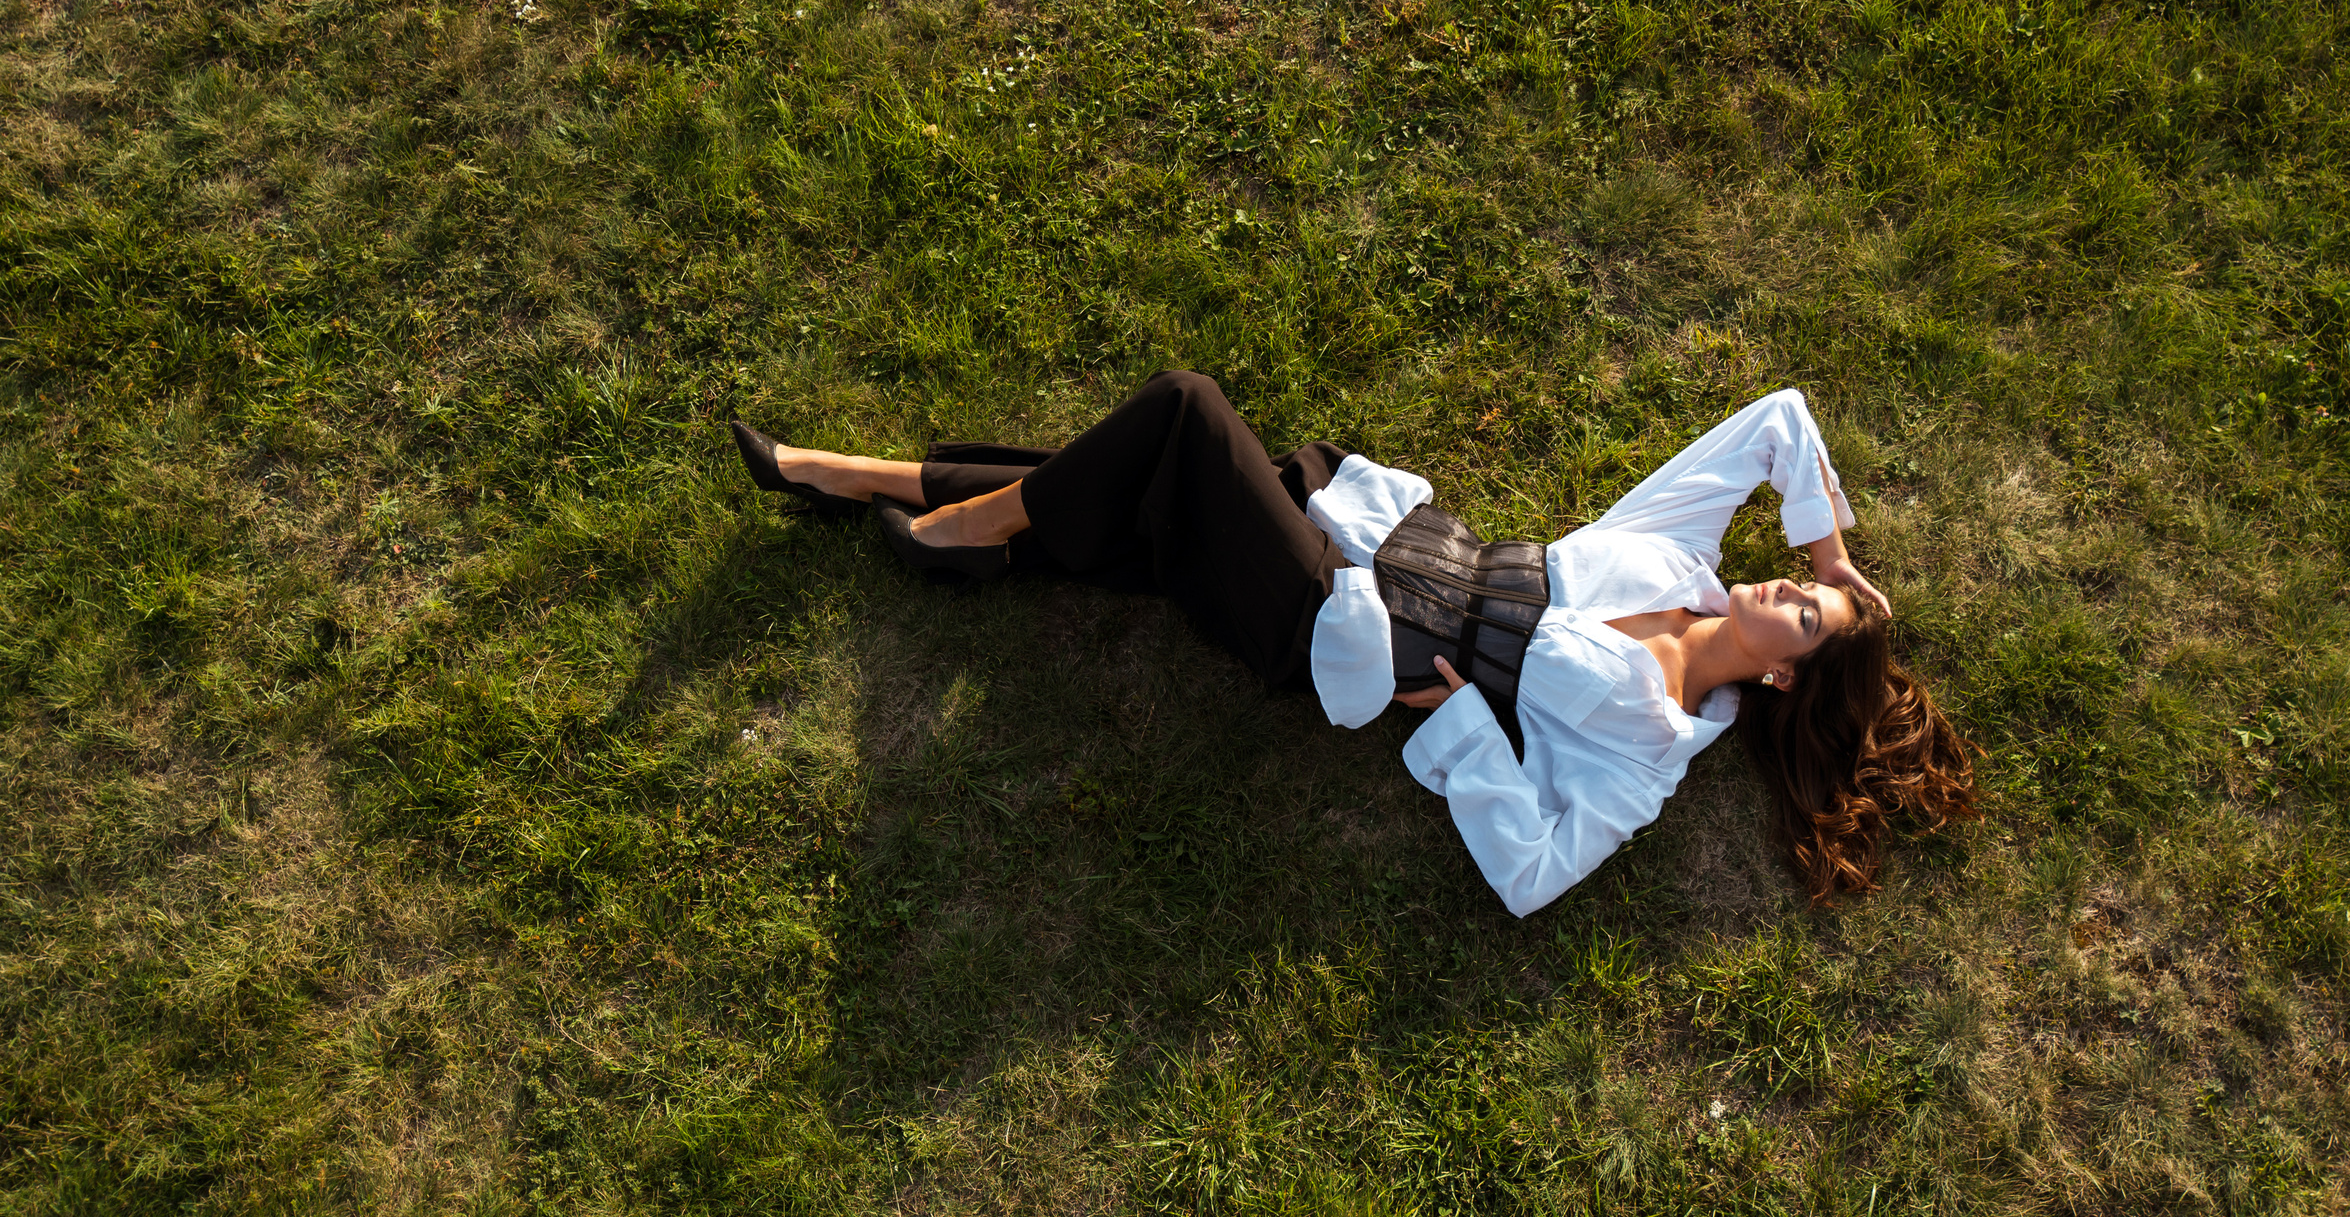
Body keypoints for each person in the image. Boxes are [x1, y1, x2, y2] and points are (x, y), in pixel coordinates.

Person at [729, 372, 1975, 915]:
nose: (1776, 588)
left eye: (1800, 617)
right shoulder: (1677, 563)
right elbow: (1776, 422)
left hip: (1338, 630)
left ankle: (932, 516)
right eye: (1801, 592)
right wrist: (1827, 554)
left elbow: (1534, 874)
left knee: (1183, 416)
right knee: (1153, 499)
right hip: (1381, 536)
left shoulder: (1648, 748)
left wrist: (1472, 734)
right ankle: (933, 515)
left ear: (1777, 673)